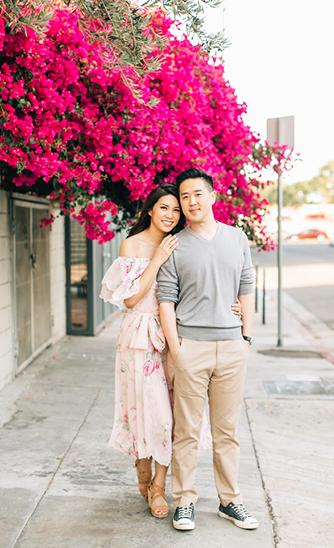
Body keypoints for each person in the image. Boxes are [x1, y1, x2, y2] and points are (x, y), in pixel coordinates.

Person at [101, 184, 240, 519]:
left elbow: (203, 283)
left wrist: (232, 306)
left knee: (170, 418)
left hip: (175, 335)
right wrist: (158, 257)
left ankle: (159, 489)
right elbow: (131, 298)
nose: (171, 215)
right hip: (139, 337)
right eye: (164, 208)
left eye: (176, 210)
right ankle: (144, 474)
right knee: (142, 412)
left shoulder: (180, 244)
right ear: (150, 209)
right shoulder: (132, 244)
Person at [157, 167, 258, 532]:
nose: (191, 202)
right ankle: (184, 502)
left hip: (232, 347)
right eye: (184, 197)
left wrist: (246, 335)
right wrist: (177, 349)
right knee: (186, 431)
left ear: (213, 196)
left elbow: (247, 283)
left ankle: (230, 501)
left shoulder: (237, 238)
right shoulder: (175, 244)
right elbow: (165, 299)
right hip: (191, 348)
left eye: (197, 194)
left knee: (226, 431)